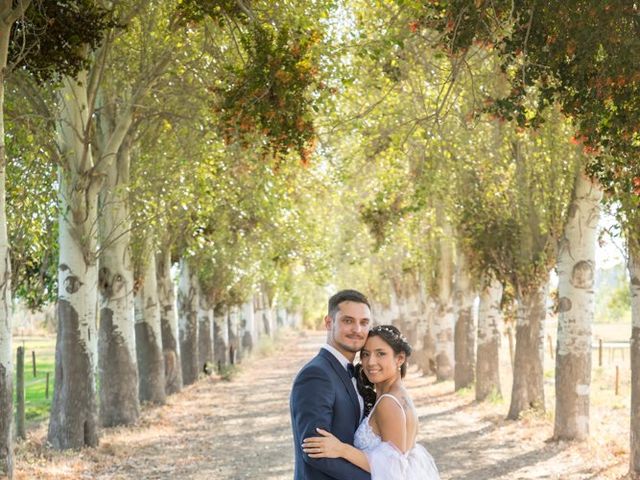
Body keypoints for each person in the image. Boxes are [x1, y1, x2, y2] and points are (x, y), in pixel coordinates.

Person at [302, 324, 440, 480]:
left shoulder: (388, 403)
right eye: (366, 354)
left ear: (399, 358)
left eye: (380, 354)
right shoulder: (399, 396)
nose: (370, 362)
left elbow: (392, 469)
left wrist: (341, 449)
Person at [290, 289, 372, 480]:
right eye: (348, 321)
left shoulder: (352, 371)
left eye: (364, 323)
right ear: (329, 322)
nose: (357, 330)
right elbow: (315, 452)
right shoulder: (316, 375)